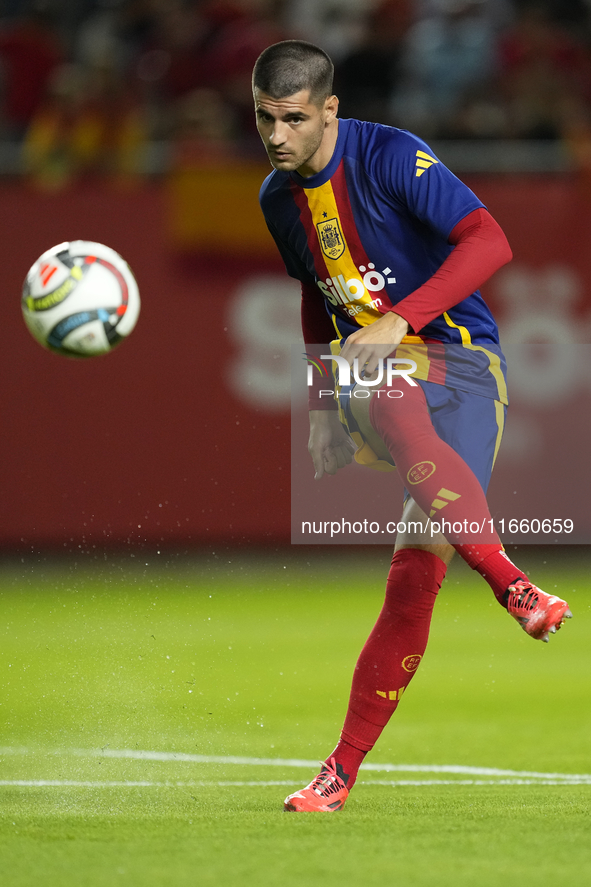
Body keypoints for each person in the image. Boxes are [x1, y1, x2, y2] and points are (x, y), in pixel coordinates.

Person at [252, 39, 572, 813]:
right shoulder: (275, 199)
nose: (275, 136)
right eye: (263, 117)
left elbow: (489, 241)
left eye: (292, 118)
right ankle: (513, 586)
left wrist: (398, 321)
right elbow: (315, 297)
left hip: (463, 365)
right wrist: (323, 402)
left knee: (414, 575)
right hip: (376, 368)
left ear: (329, 110)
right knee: (379, 375)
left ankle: (339, 772)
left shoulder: (392, 156)